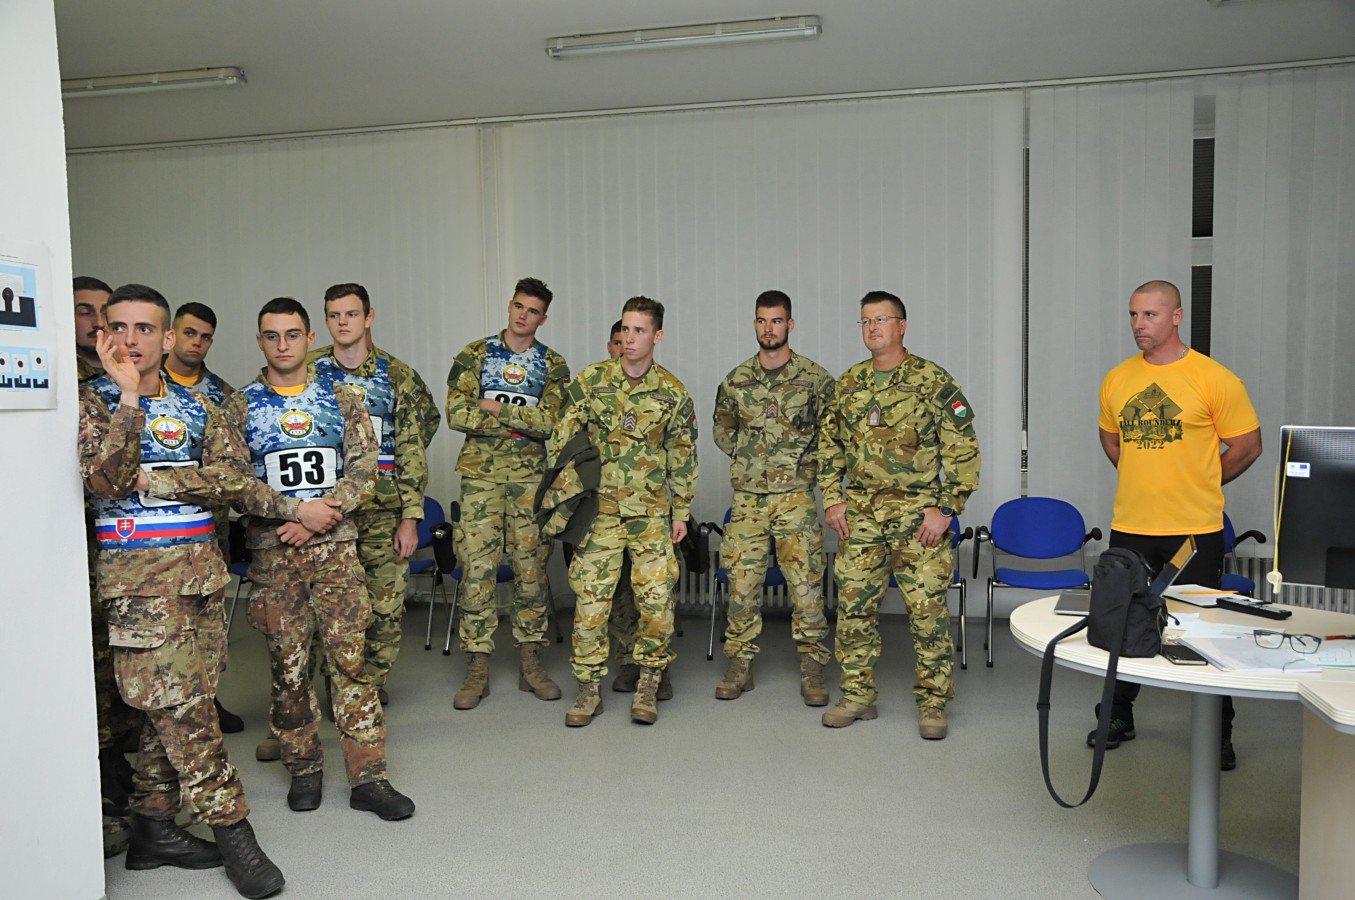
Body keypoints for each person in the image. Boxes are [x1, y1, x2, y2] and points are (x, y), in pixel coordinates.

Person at [79, 284, 285, 897]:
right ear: (102, 336)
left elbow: (233, 479)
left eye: (144, 329)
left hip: (202, 581)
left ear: (166, 338)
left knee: (173, 707)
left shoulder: (200, 406)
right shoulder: (93, 405)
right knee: (189, 715)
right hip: (141, 589)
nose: (130, 340)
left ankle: (153, 825)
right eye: (118, 327)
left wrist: (162, 479)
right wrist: (127, 398)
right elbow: (107, 480)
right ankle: (233, 829)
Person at [224, 296, 415, 820]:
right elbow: (231, 482)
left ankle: (369, 778)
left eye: (292, 334)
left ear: (310, 339)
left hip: (336, 554)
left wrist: (320, 515)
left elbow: (365, 470)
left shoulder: (341, 399)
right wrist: (294, 510)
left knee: (351, 664)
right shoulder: (240, 407)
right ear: (259, 341)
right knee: (289, 668)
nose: (282, 345)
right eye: (271, 336)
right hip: (275, 556)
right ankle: (303, 767)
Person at [1094, 279, 1261, 769]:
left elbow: (1247, 446)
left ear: (1176, 316)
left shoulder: (1214, 378)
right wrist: (1144, 478)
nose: (1138, 324)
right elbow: (1111, 439)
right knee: (1123, 624)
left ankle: (1217, 733)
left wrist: (1201, 481)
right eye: (1133, 315)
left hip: (1192, 530)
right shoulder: (1118, 379)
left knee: (1202, 631)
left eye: (1149, 314)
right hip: (1131, 526)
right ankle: (1117, 716)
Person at [818, 290, 980, 738]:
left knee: (926, 612)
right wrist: (832, 498)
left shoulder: (931, 380)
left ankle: (933, 702)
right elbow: (829, 445)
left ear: (902, 326)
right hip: (861, 514)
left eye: (882, 320)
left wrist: (945, 509)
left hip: (917, 515)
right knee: (853, 608)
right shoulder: (848, 384)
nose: (873, 328)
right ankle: (857, 695)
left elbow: (963, 449)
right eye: (866, 321)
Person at [552, 296, 698, 726]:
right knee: (591, 605)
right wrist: (569, 496)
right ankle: (588, 689)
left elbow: (682, 454)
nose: (630, 339)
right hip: (600, 513)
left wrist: (681, 512)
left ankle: (649, 683)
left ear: (657, 336)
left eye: (640, 331)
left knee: (656, 604)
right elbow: (563, 441)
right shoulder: (591, 381)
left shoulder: (672, 392)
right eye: (626, 329)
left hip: (650, 515)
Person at [444, 277, 571, 709]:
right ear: (510, 305)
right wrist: (521, 420)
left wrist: (495, 407)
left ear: (543, 318)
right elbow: (457, 413)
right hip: (480, 479)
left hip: (529, 482)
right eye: (518, 306)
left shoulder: (552, 364)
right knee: (477, 572)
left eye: (532, 311)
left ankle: (530, 662)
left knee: (531, 571)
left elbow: (551, 423)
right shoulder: (475, 355)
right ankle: (476, 666)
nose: (522, 315)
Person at [311, 283, 434, 703]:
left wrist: (410, 517)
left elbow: (413, 444)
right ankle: (335, 687)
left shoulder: (397, 375)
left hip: (383, 511)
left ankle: (369, 689)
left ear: (368, 317)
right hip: (326, 511)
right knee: (327, 608)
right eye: (334, 315)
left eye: (351, 314)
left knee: (385, 607)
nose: (343, 322)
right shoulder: (308, 372)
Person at [712, 290, 833, 705]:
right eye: (762, 321)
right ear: (755, 324)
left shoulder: (815, 379)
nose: (769, 328)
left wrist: (799, 464)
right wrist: (752, 459)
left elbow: (832, 435)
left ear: (790, 324)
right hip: (748, 499)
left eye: (777, 321)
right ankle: (739, 663)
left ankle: (812, 666)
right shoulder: (736, 379)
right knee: (741, 585)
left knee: (806, 585)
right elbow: (722, 429)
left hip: (795, 498)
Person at [75, 275, 139, 856]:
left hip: (131, 550)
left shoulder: (136, 382)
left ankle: (119, 759)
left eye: (107, 315)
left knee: (122, 661)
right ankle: (100, 768)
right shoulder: (75, 390)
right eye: (87, 313)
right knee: (91, 662)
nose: (98, 325)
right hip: (75, 547)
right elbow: (106, 478)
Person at [161, 301, 246, 735]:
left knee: (207, 621)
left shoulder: (222, 396)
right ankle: (151, 716)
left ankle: (207, 700)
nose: (197, 343)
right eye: (190, 333)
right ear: (171, 334)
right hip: (152, 528)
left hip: (209, 526)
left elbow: (235, 464)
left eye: (206, 336)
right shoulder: (144, 384)